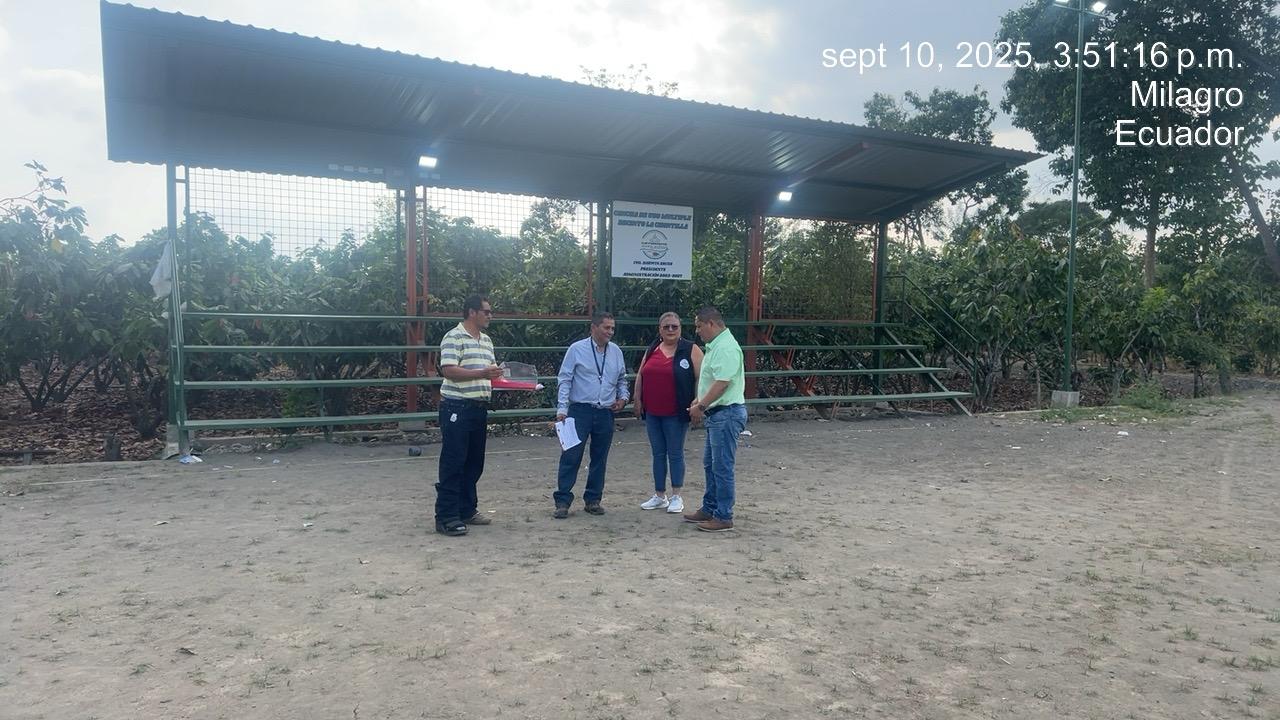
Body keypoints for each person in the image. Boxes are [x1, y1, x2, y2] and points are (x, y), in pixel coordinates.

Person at [434, 294, 504, 537]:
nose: (490, 316)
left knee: (474, 463)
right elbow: (449, 370)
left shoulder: (486, 341)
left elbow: (490, 373)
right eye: (486, 311)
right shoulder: (453, 337)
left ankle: (466, 508)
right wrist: (483, 373)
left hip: (478, 407)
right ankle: (446, 516)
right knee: (453, 462)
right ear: (472, 312)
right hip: (457, 406)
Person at [552, 311, 629, 518]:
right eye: (606, 327)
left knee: (600, 457)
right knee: (571, 455)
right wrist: (562, 409)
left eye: (612, 328)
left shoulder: (616, 352)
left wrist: (623, 398)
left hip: (605, 412)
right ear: (594, 327)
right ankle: (562, 501)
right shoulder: (576, 349)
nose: (610, 332)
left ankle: (593, 499)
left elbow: (622, 379)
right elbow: (565, 379)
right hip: (580, 411)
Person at [683, 306, 747, 532]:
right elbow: (713, 381)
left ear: (711, 323)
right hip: (719, 414)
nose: (697, 331)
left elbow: (722, 383)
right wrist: (699, 400)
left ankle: (723, 515)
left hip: (726, 413)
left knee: (721, 466)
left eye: (699, 326)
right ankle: (710, 508)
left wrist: (701, 405)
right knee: (712, 465)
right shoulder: (717, 345)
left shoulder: (725, 348)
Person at [633, 311, 703, 514]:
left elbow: (702, 377)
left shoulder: (691, 349)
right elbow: (641, 374)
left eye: (675, 326)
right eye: (666, 326)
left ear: (680, 328)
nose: (671, 330)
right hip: (653, 412)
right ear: (660, 329)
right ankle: (659, 495)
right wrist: (637, 398)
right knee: (657, 453)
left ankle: (676, 496)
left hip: (676, 412)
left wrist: (698, 401)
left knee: (675, 453)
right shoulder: (652, 347)